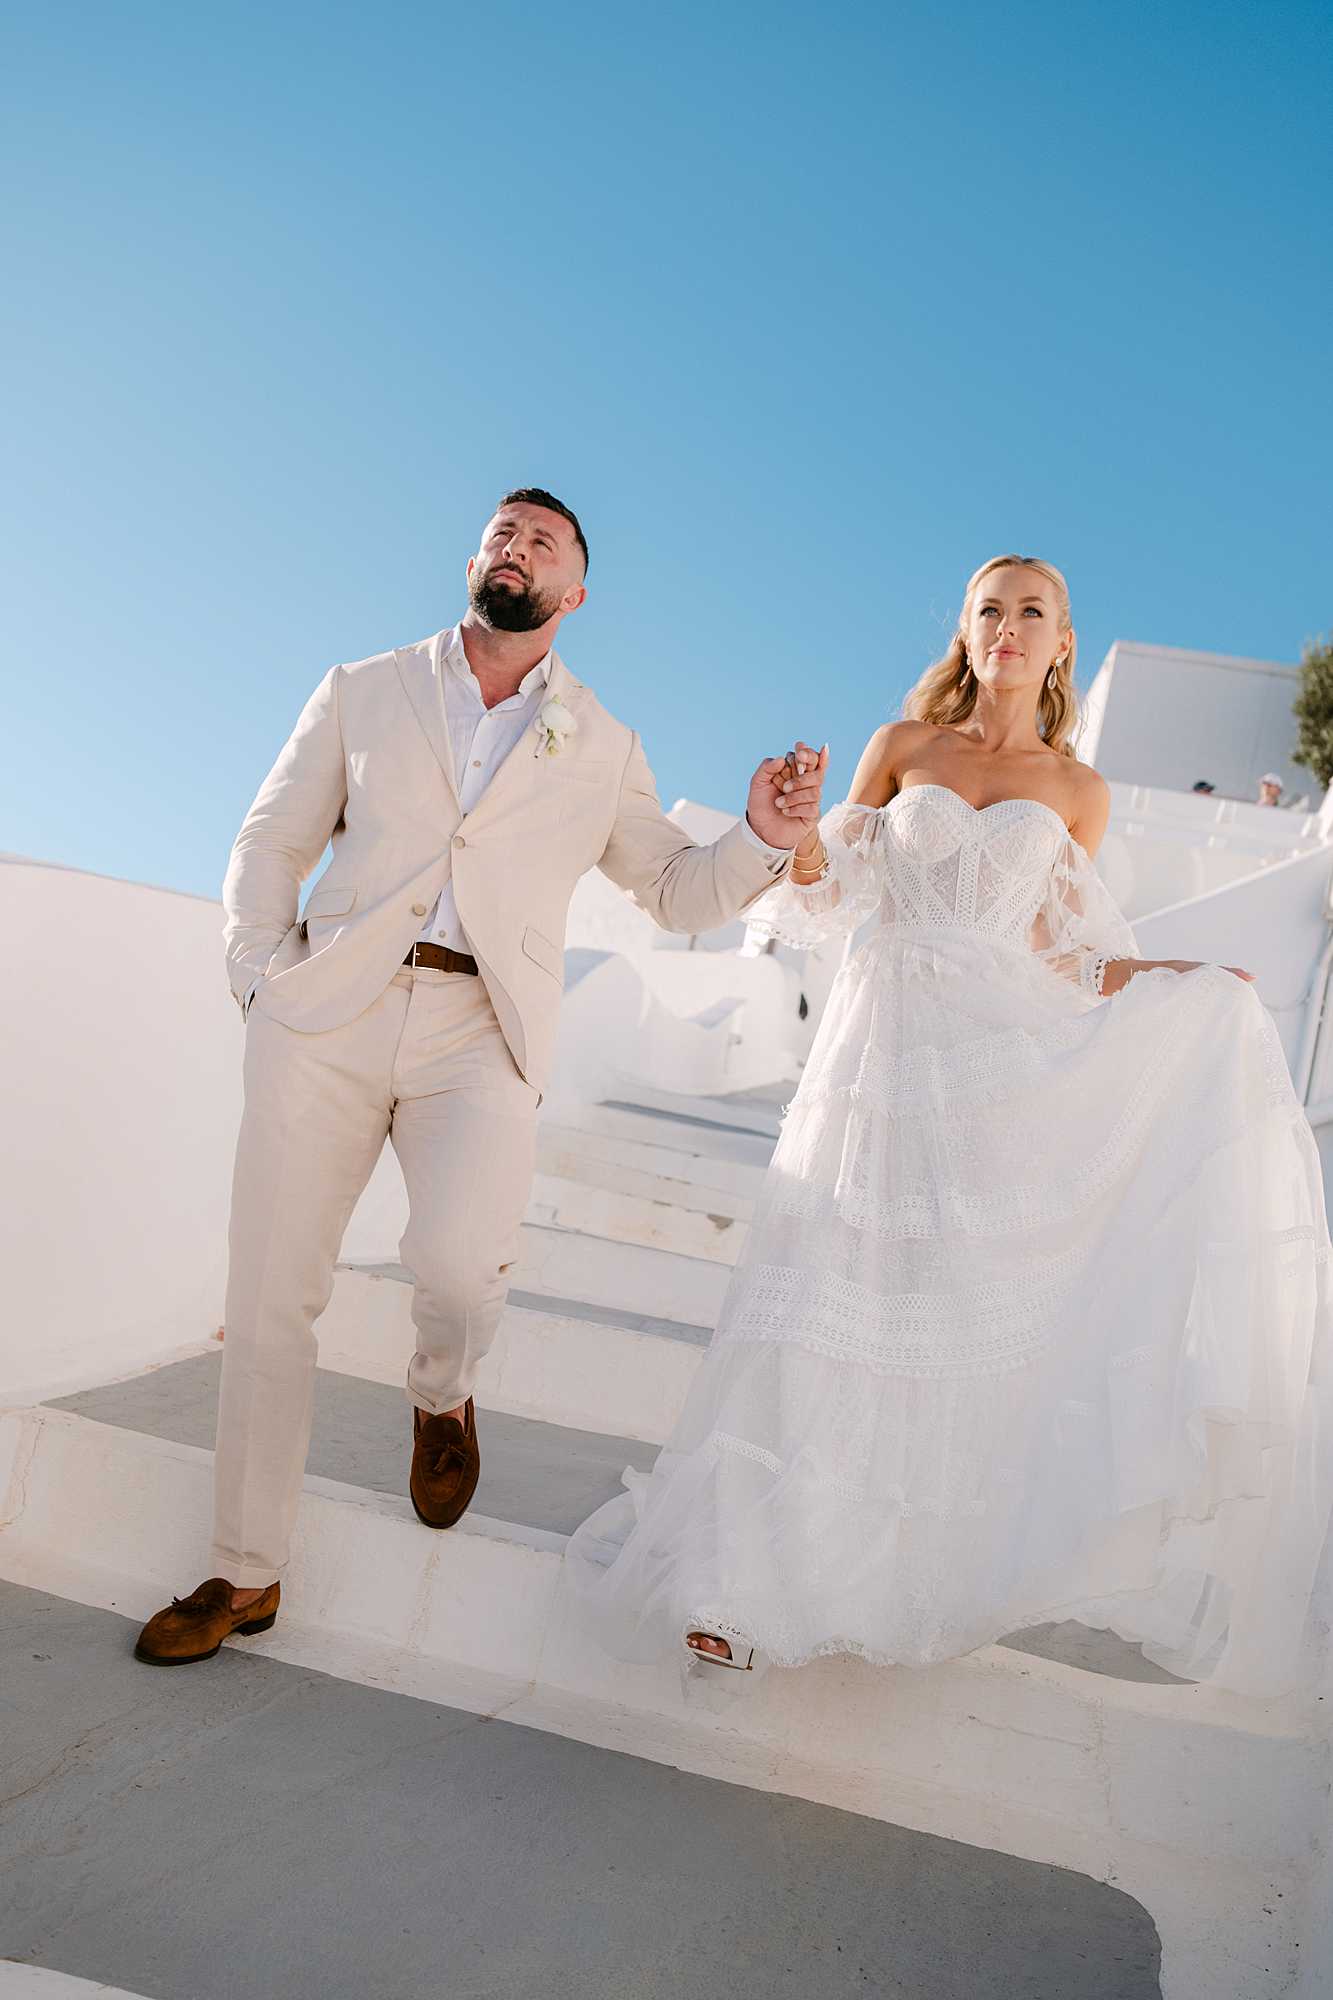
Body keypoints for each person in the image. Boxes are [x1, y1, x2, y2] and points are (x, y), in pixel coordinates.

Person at [567, 554, 1333, 1699]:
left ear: (1061, 643)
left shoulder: (1077, 791)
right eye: (989, 609)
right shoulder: (901, 746)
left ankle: (880, 1577)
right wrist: (794, 828)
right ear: (965, 633)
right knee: (822, 1293)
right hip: (877, 1051)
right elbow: (826, 890)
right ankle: (738, 1583)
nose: (1008, 626)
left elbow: (1067, 955)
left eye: (1032, 611)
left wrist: (1187, 980)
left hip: (985, 1071)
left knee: (925, 1319)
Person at [133, 487, 826, 1666]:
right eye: (504, 531)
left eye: (543, 540)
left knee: (459, 1268)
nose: (518, 546)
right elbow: (272, 838)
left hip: (481, 1027)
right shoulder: (365, 686)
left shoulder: (602, 742)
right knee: (269, 1294)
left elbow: (674, 892)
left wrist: (760, 834)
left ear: (574, 593)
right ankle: (243, 1570)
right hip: (327, 1012)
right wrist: (260, 980)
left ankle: (442, 1391)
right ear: (475, 558)